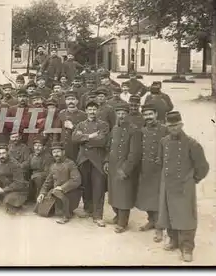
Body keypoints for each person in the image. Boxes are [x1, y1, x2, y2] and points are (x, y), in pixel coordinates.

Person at [157, 111, 210, 262]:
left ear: (181, 125)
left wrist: (193, 179)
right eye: (170, 126)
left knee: (186, 216)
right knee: (169, 213)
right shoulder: (164, 142)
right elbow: (161, 161)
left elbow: (203, 167)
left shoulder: (192, 144)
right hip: (168, 184)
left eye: (176, 125)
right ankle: (173, 240)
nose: (173, 128)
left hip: (184, 186)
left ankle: (187, 247)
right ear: (166, 126)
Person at [104, 104, 142, 233]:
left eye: (123, 114)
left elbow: (134, 153)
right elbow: (109, 147)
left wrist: (125, 169)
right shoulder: (114, 129)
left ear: (128, 115)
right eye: (118, 113)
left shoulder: (134, 130)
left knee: (124, 195)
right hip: (113, 166)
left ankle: (122, 222)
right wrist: (106, 161)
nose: (121, 116)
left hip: (124, 167)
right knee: (114, 193)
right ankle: (117, 216)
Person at [72, 101, 109, 227]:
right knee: (85, 186)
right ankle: (88, 209)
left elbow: (102, 141)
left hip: (97, 160)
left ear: (97, 111)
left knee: (98, 187)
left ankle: (98, 215)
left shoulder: (103, 125)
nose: (92, 112)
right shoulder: (81, 124)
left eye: (94, 109)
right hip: (83, 159)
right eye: (90, 109)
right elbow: (74, 138)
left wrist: (84, 138)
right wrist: (90, 136)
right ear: (86, 111)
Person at [135, 104, 169, 243]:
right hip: (145, 169)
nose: (148, 117)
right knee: (146, 198)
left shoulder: (165, 129)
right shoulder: (141, 130)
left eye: (150, 114)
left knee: (158, 200)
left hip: (160, 170)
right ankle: (151, 221)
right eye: (145, 115)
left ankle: (159, 228)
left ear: (156, 114)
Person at [36, 142, 82, 224]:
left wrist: (62, 187)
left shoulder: (70, 164)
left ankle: (66, 215)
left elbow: (76, 180)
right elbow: (47, 182)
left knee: (57, 194)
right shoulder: (53, 166)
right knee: (42, 211)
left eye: (58, 152)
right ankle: (60, 209)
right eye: (54, 152)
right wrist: (42, 193)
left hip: (71, 193)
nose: (56, 154)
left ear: (63, 152)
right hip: (56, 193)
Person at [54, 91, 88, 161]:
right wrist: (56, 145)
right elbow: (56, 131)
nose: (70, 101)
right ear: (65, 101)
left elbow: (86, 132)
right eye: (68, 99)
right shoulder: (61, 114)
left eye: (73, 99)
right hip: (64, 146)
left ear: (77, 101)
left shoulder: (84, 115)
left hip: (78, 147)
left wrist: (73, 127)